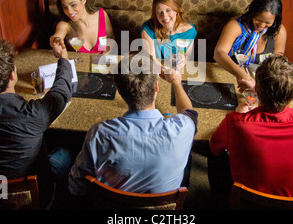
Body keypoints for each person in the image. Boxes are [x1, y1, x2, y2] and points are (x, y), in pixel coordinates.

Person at [0, 40, 73, 208]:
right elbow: (61, 93)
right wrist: (63, 59)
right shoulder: (34, 114)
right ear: (13, 75)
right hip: (35, 197)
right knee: (68, 150)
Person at [68, 50, 198, 196]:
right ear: (156, 87)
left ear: (118, 90)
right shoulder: (183, 129)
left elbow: (76, 186)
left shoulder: (99, 133)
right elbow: (189, 112)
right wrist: (176, 83)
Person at [209, 55, 293, 198]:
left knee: (216, 156)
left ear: (258, 89)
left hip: (249, 204)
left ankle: (218, 201)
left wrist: (238, 114)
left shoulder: (237, 122)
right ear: (292, 95)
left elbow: (214, 147)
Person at [214, 0, 286, 89]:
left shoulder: (279, 31)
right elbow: (219, 53)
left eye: (267, 23)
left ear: (275, 20)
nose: (261, 25)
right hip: (232, 73)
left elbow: (278, 58)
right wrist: (241, 74)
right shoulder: (235, 25)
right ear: (252, 13)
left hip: (262, 79)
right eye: (258, 19)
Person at [50, 0, 115, 55]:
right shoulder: (65, 24)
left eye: (73, 5)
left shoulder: (102, 15)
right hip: (79, 65)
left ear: (83, 0)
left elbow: (111, 40)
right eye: (65, 7)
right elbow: (56, 37)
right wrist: (56, 41)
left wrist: (104, 56)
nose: (69, 11)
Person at [141, 0, 197, 69]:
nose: (165, 16)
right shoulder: (148, 29)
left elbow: (188, 56)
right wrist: (166, 71)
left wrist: (184, 59)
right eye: (160, 12)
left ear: (176, 10)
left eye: (168, 10)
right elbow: (151, 60)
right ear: (155, 15)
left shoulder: (189, 31)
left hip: (178, 70)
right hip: (155, 69)